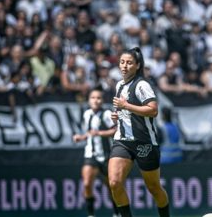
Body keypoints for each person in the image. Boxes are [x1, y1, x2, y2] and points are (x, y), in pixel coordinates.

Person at [110, 47, 170, 217]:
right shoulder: (119, 85)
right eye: (122, 62)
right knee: (114, 182)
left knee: (154, 187)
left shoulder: (142, 84)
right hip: (122, 140)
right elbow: (125, 111)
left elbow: (153, 110)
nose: (124, 66)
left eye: (129, 63)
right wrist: (118, 116)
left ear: (137, 65)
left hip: (144, 142)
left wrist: (126, 106)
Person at [72, 88, 119, 217]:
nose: (96, 100)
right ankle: (91, 214)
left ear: (102, 100)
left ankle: (116, 213)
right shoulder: (87, 114)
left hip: (106, 155)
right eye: (93, 98)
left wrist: (99, 133)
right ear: (89, 100)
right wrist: (81, 137)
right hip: (91, 154)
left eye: (98, 98)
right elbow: (90, 132)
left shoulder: (106, 114)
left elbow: (115, 130)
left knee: (111, 187)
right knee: (87, 183)